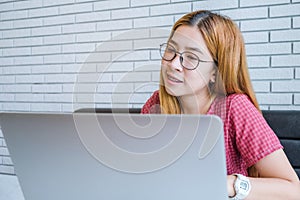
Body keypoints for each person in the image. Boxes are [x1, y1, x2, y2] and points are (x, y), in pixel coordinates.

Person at [141, 10, 300, 199]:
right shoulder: (157, 103)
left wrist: (228, 183)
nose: (174, 64)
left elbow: (293, 189)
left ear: (215, 72)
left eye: (191, 57)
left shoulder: (235, 108)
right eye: (171, 50)